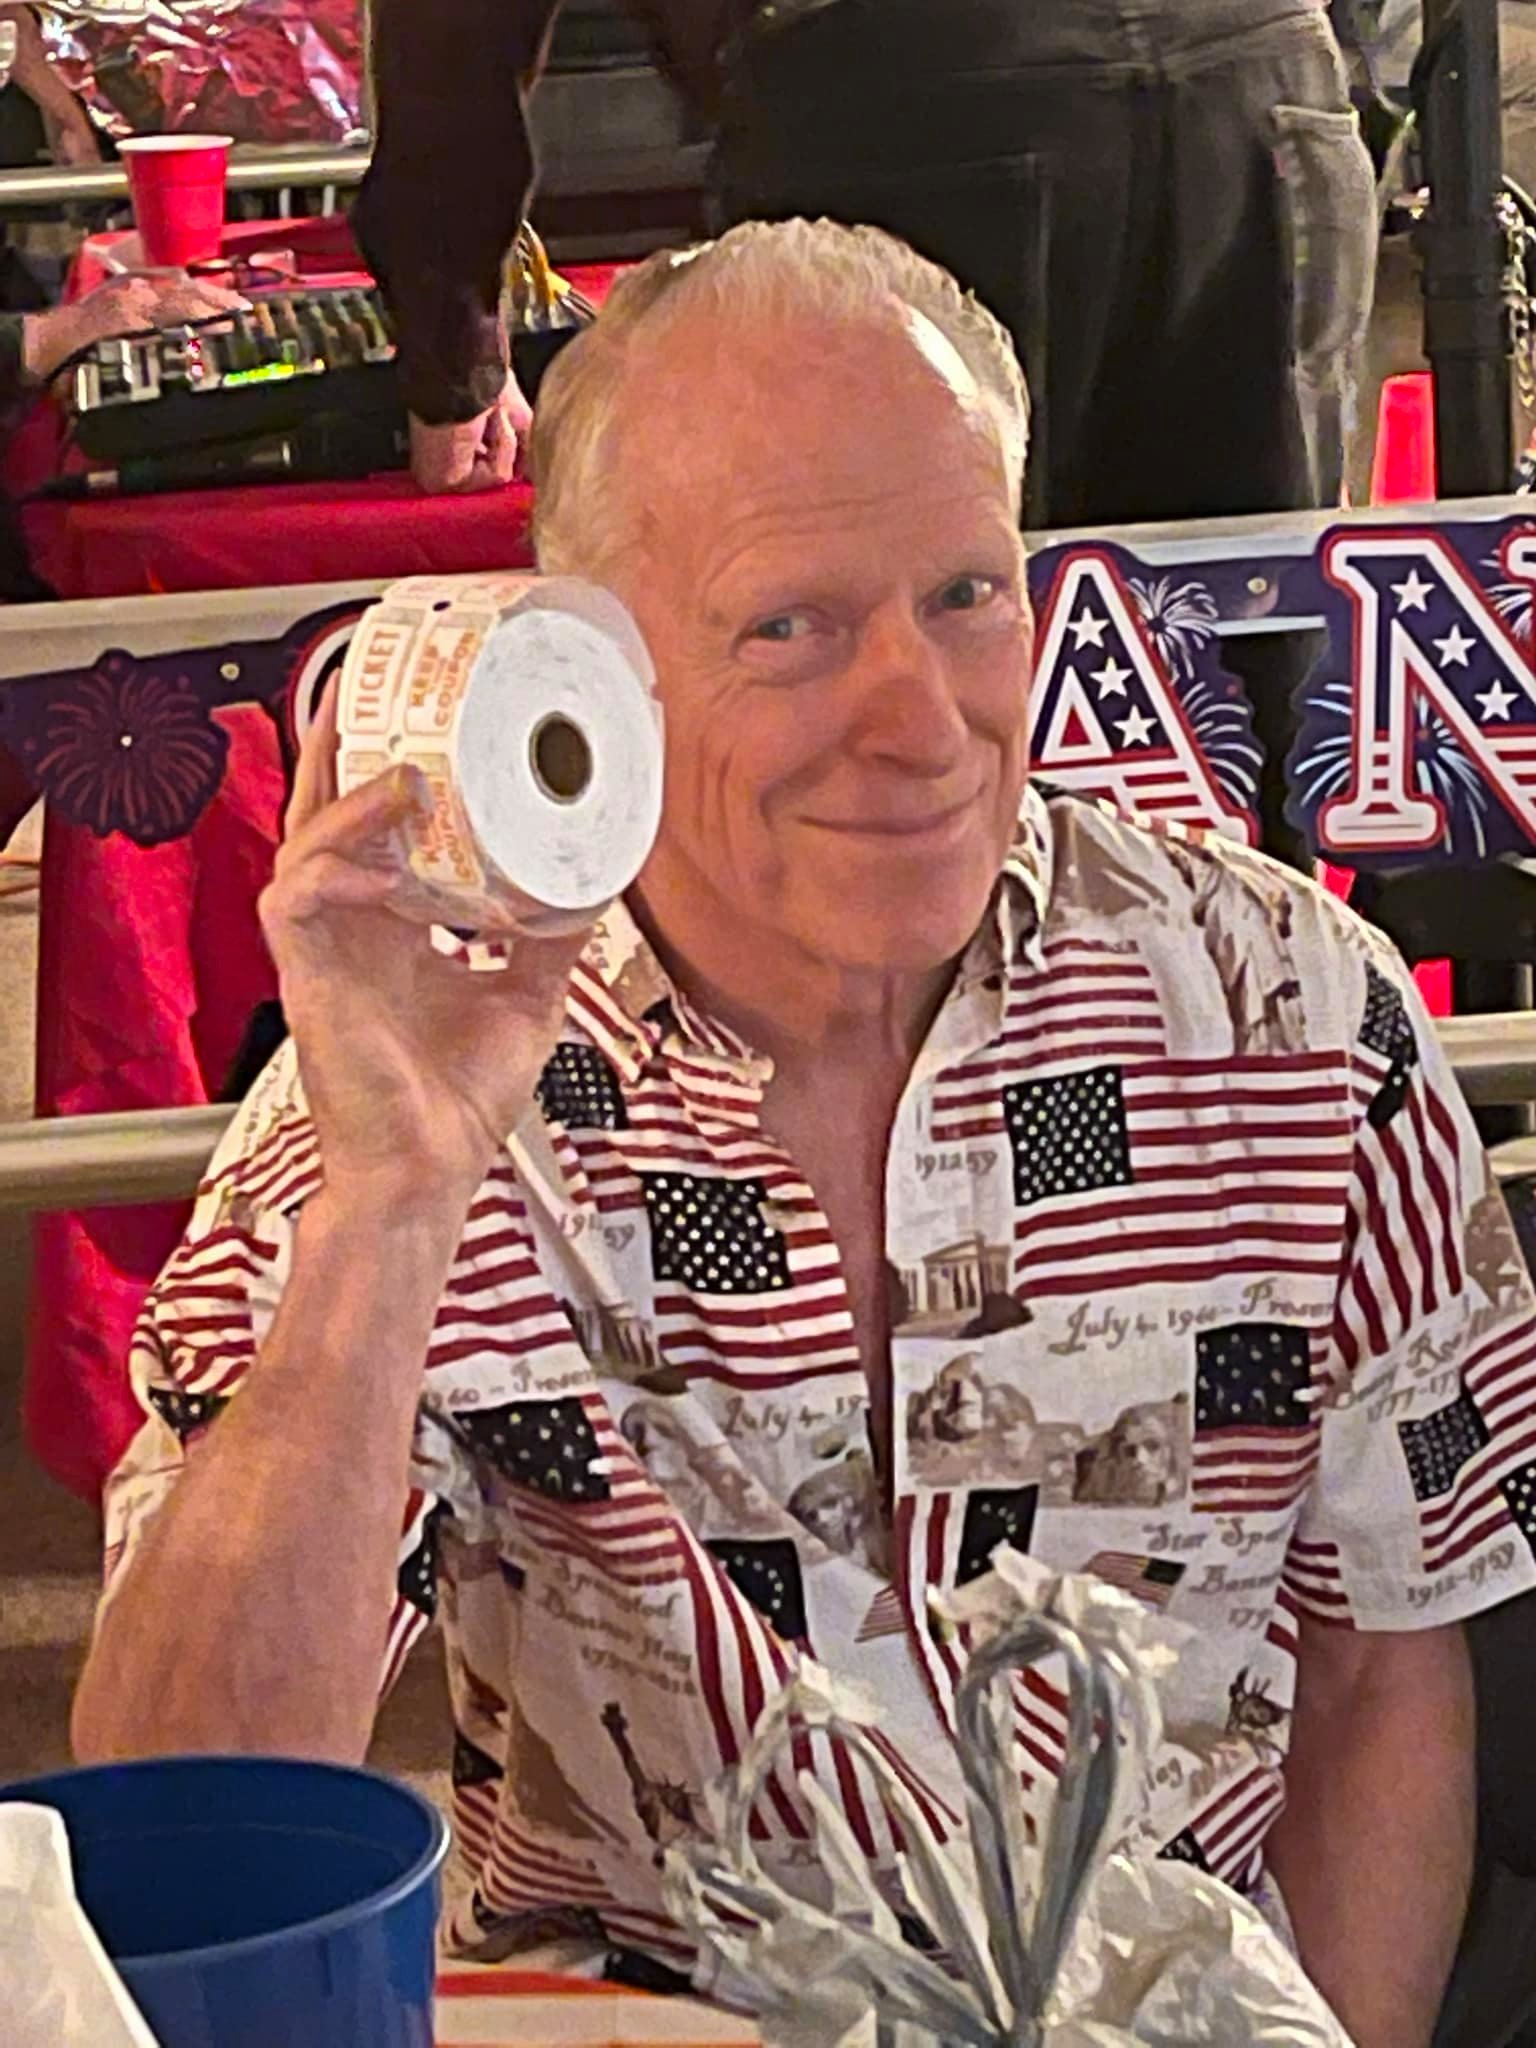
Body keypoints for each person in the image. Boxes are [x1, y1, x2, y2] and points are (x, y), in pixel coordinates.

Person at [73, 220, 1526, 2048]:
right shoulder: (420, 1073)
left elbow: (1385, 1664)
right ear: (594, 672)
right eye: (791, 627)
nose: (920, 721)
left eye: (966, 594)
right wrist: (392, 1203)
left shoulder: (1287, 1007)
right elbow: (180, 1826)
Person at [355, 0, 1375, 525]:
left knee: (895, 654)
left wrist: (453, 355)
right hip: (1268, 77)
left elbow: (453, 30)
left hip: (919, 88)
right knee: (1256, 646)